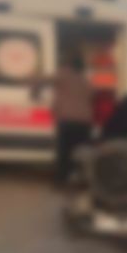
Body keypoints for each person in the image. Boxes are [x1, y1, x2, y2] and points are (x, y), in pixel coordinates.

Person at [31, 56, 94, 186]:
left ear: (67, 64)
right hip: (85, 121)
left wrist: (35, 93)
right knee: (81, 152)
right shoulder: (85, 79)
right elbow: (92, 95)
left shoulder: (63, 74)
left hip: (67, 119)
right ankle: (82, 178)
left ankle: (61, 180)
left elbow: (40, 80)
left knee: (64, 151)